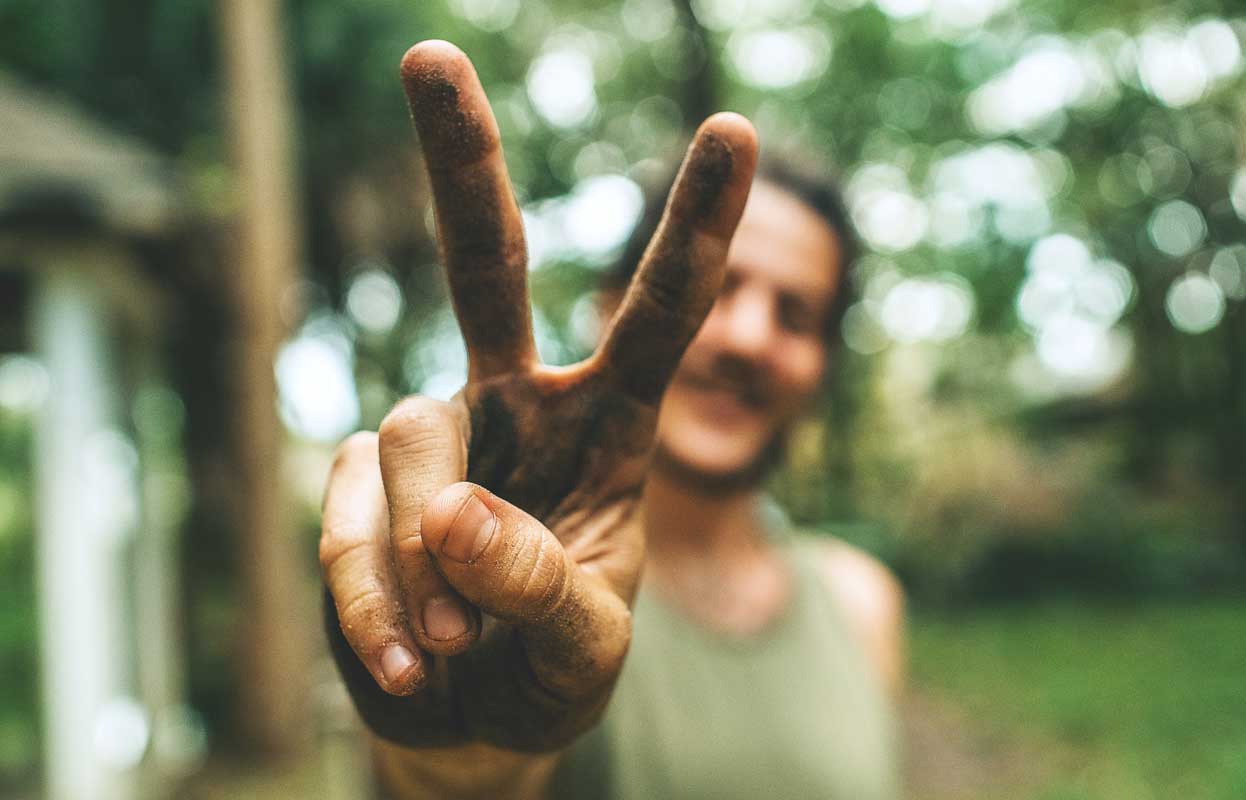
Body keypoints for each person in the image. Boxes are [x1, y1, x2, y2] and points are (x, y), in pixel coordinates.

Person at [319, 40, 904, 800]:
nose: (750, 339)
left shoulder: (861, 602)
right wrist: (457, 756)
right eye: (720, 289)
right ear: (611, 310)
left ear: (820, 365)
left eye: (795, 315)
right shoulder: (501, 592)